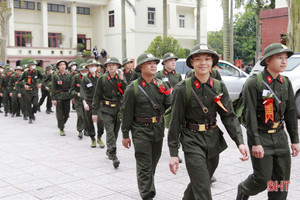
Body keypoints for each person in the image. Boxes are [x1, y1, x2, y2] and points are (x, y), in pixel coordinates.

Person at [168, 44, 250, 200]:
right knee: (203, 189)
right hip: (191, 141)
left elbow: (229, 116)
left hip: (213, 141)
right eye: (198, 59)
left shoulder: (219, 87)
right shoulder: (182, 89)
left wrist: (239, 141)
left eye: (207, 59)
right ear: (192, 62)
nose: (202, 63)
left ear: (212, 62)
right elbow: (175, 121)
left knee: (200, 183)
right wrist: (173, 153)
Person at [236, 43, 300, 200]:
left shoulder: (285, 82)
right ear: (268, 60)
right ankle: (244, 189)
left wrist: (295, 140)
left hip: (280, 137)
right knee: (262, 179)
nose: (284, 61)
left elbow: (291, 112)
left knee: (281, 182)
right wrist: (255, 142)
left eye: (285, 58)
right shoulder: (253, 83)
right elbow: (250, 116)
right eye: (279, 58)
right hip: (261, 137)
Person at [122, 53, 172, 200]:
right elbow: (126, 113)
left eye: (155, 63)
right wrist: (125, 135)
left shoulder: (161, 85)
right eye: (148, 63)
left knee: (153, 161)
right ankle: (147, 194)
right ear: (141, 67)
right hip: (140, 130)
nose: (153, 65)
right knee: (144, 162)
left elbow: (170, 105)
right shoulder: (133, 88)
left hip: (158, 128)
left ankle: (147, 185)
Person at [92, 57, 127, 168]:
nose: (111, 66)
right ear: (106, 67)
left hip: (118, 108)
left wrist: (122, 79)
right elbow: (97, 96)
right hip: (106, 109)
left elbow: (126, 92)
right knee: (110, 131)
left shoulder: (120, 78)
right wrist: (94, 112)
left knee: (115, 131)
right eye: (109, 65)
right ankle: (113, 154)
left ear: (117, 67)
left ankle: (109, 149)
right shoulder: (102, 79)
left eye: (114, 64)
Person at [80, 59, 105, 148]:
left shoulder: (101, 76)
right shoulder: (85, 78)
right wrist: (84, 103)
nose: (93, 67)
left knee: (101, 120)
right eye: (90, 66)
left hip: (99, 103)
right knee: (89, 121)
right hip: (89, 102)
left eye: (94, 66)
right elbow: (82, 90)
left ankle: (99, 137)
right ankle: (93, 138)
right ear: (88, 68)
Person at [51, 60, 72, 136]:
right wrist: (53, 99)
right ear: (58, 67)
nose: (63, 66)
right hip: (58, 96)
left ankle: (62, 123)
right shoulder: (55, 76)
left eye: (64, 65)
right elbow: (53, 88)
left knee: (66, 113)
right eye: (61, 65)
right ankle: (61, 128)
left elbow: (71, 87)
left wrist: (72, 97)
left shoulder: (69, 75)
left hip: (67, 96)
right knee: (59, 113)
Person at [70, 63, 87, 139]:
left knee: (87, 115)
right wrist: (76, 94)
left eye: (85, 70)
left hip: (88, 100)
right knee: (80, 115)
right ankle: (80, 130)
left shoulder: (89, 77)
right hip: (78, 100)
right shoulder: (76, 77)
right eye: (82, 70)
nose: (84, 72)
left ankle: (87, 129)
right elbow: (72, 90)